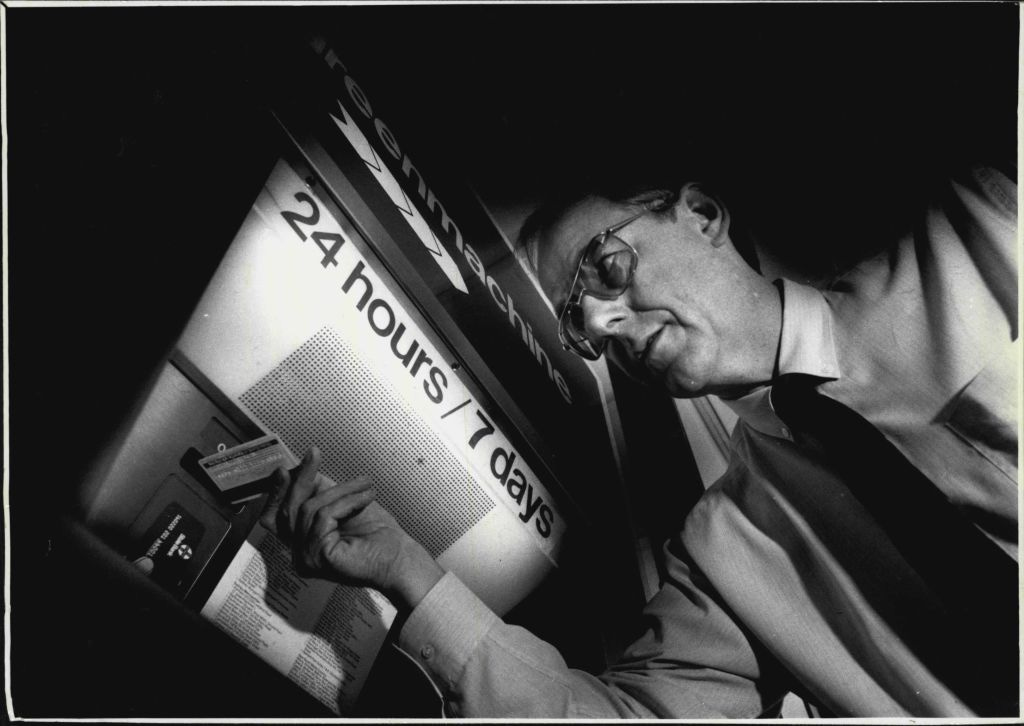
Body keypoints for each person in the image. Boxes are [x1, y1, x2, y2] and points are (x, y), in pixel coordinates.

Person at [261, 164, 1018, 718]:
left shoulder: (982, 236)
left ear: (702, 215)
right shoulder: (721, 554)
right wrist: (410, 573)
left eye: (605, 266)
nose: (600, 323)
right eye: (576, 324)